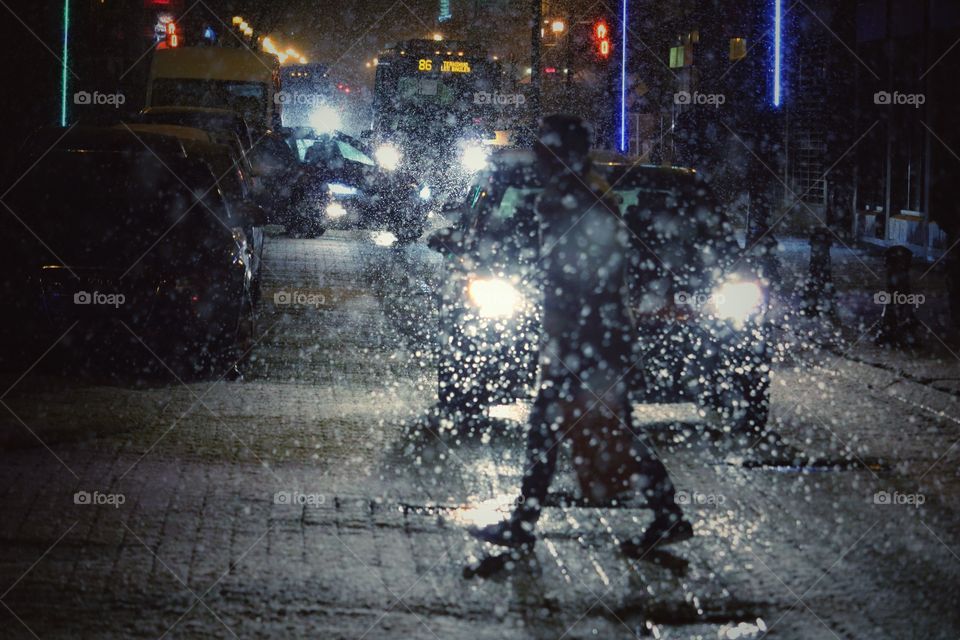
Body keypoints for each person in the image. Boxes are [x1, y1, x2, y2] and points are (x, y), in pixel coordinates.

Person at [470, 115, 692, 556]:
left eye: (544, 151)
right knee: (594, 430)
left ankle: (525, 522)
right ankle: (664, 515)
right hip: (594, 337)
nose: (538, 159)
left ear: (560, 154)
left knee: (558, 430)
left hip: (589, 340)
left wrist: (569, 338)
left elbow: (584, 278)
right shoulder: (580, 193)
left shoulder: (580, 198)